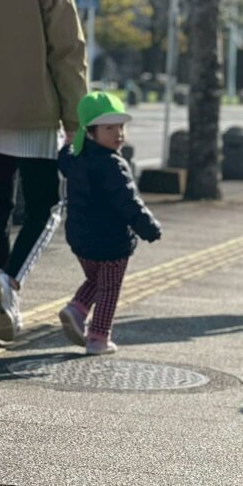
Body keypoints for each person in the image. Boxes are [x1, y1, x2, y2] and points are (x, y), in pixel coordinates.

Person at [0, 0, 87, 342]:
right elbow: (67, 47)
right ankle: (7, 281)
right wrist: (76, 119)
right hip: (34, 108)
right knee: (46, 207)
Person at [57, 93, 161, 355]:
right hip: (112, 242)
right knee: (109, 289)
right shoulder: (113, 164)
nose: (119, 134)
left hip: (80, 239)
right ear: (91, 131)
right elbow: (128, 201)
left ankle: (76, 309)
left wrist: (69, 143)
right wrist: (148, 227)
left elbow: (63, 157)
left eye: (121, 127)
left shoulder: (76, 157)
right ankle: (98, 338)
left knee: (95, 278)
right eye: (109, 128)